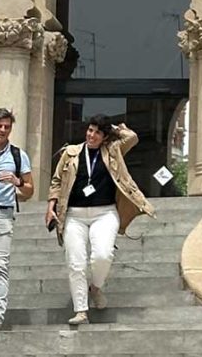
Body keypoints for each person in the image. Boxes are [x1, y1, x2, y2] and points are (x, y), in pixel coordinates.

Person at [45, 115, 155, 325]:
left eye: (97, 132)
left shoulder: (112, 150)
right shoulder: (71, 153)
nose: (91, 135)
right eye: (90, 130)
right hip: (74, 215)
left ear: (104, 137)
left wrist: (112, 127)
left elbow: (131, 137)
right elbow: (57, 181)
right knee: (76, 263)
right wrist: (51, 207)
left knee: (103, 255)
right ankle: (81, 310)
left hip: (104, 213)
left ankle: (95, 287)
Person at [0, 108, 34, 332]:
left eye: (7, 127)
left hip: (2, 214)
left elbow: (30, 191)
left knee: (0, 266)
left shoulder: (18, 155)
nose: (3, 130)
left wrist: (17, 182)